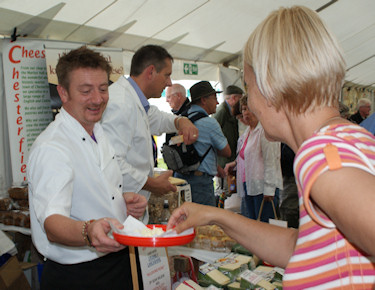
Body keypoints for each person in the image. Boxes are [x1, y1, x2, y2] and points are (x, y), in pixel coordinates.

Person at [168, 6, 375, 289]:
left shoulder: (321, 154)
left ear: (272, 86)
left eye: (250, 88)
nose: (250, 103)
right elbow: (300, 248)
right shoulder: (348, 139)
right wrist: (216, 216)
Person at [27, 46, 148, 289]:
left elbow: (92, 189)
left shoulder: (97, 131)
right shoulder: (53, 147)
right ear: (63, 93)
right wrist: (88, 231)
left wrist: (120, 202)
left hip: (115, 261)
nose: (97, 99)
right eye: (85, 91)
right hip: (78, 274)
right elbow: (52, 223)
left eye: (103, 89)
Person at [101, 45, 198, 222]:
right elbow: (113, 162)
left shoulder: (135, 100)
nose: (169, 83)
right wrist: (152, 184)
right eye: (167, 75)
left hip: (131, 208)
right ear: (151, 72)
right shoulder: (121, 104)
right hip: (119, 211)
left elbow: (156, 118)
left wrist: (180, 121)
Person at [224, 95, 282, 222]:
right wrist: (234, 164)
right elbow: (245, 157)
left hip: (263, 187)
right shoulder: (247, 133)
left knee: (265, 226)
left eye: (250, 108)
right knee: (253, 224)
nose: (246, 112)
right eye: (244, 109)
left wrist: (269, 189)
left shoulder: (265, 131)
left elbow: (271, 161)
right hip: (249, 185)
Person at [174, 81, 231, 206]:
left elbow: (195, 150)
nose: (217, 102)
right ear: (204, 100)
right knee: (204, 223)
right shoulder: (209, 123)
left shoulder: (182, 118)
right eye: (214, 98)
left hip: (179, 178)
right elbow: (227, 151)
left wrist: (215, 166)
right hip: (200, 184)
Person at [213, 85, 243, 196]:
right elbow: (213, 132)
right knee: (225, 192)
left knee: (232, 190)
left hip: (231, 160)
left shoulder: (231, 112)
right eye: (240, 98)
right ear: (234, 98)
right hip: (223, 162)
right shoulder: (221, 112)